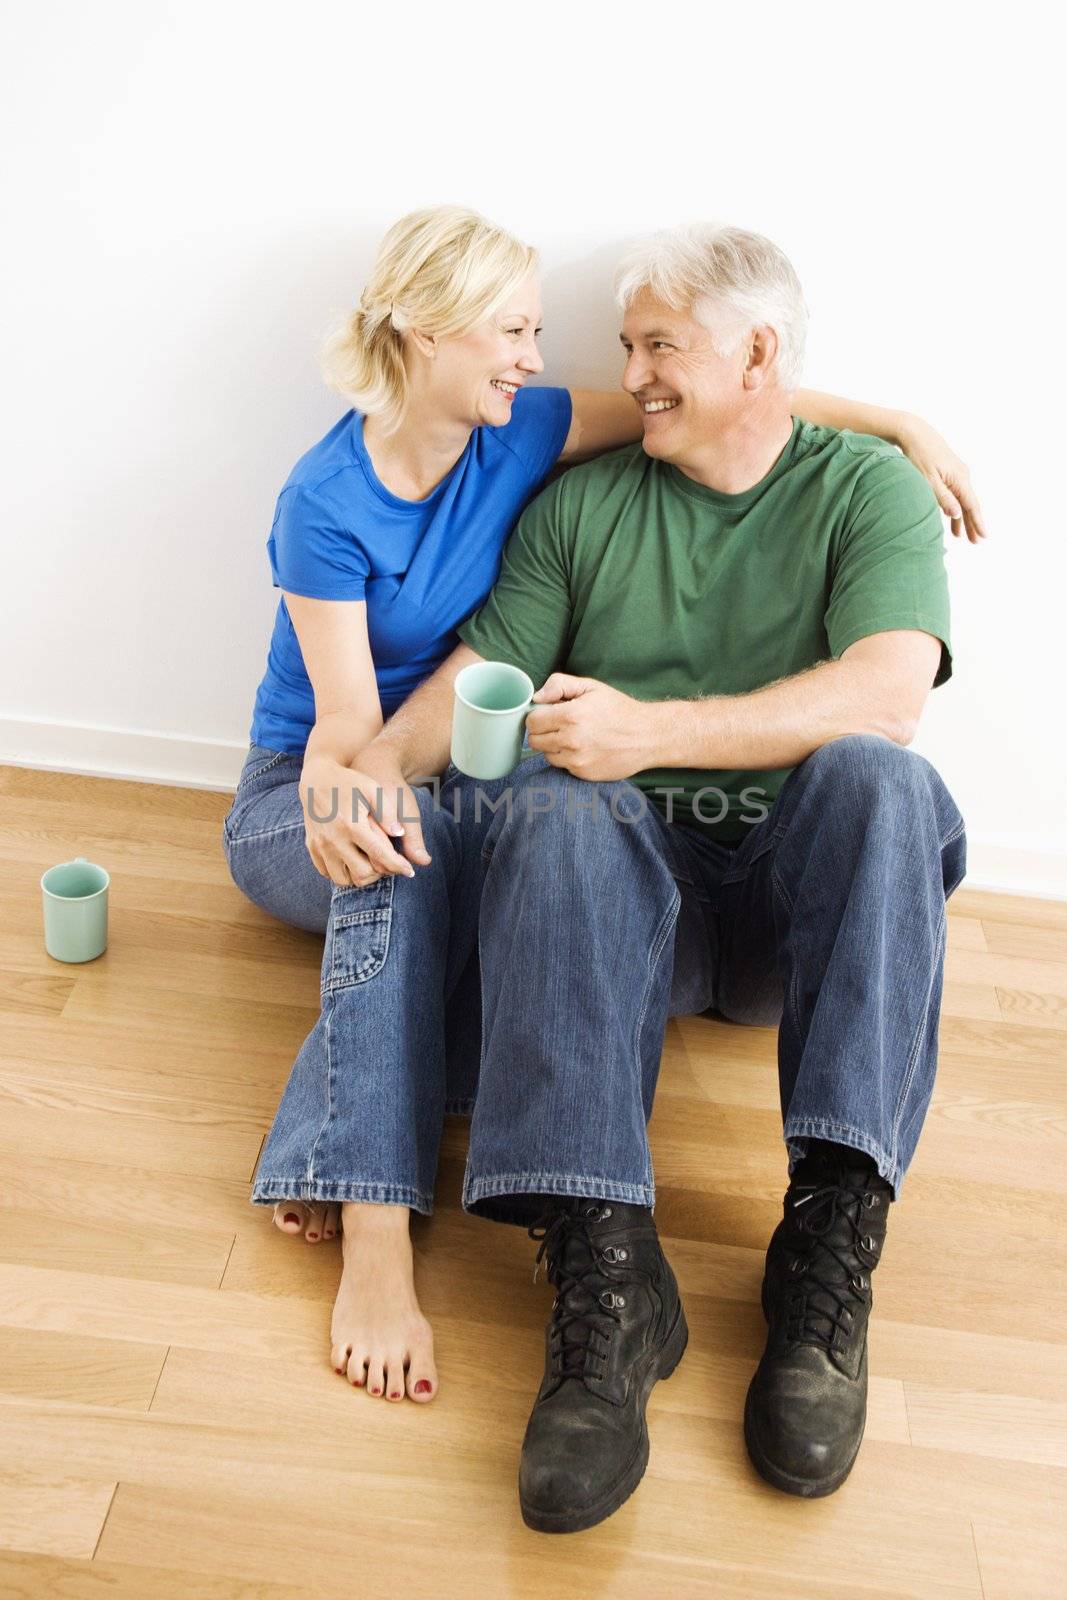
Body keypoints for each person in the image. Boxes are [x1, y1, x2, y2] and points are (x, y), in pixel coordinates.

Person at [222, 205, 984, 1412]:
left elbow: (887, 693)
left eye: (653, 349)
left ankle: (828, 1247)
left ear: (752, 355)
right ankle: (563, 1258)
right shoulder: (410, 499)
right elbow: (423, 691)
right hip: (478, 835)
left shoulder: (823, 487)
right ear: (427, 336)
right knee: (476, 828)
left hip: (780, 900)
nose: (611, 373)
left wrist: (894, 419)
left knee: (878, 779)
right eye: (534, 332)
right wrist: (366, 772)